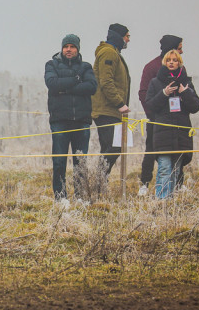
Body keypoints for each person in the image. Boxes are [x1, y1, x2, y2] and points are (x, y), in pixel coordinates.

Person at [44, 34, 98, 202]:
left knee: (80, 162)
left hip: (81, 120)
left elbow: (91, 87)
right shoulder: (51, 64)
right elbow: (52, 84)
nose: (69, 49)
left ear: (77, 49)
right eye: (66, 46)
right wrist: (76, 80)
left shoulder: (86, 66)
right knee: (59, 162)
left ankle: (81, 197)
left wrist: (65, 88)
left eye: (72, 46)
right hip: (59, 120)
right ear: (62, 48)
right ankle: (61, 198)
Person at [143, 50, 199, 199]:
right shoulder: (155, 83)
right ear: (165, 62)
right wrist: (164, 94)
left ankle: (171, 202)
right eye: (169, 60)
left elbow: (195, 107)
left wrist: (185, 93)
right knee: (164, 168)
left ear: (179, 62)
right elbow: (150, 105)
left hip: (181, 133)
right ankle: (161, 201)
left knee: (176, 170)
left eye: (175, 60)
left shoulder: (187, 82)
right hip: (163, 133)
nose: (172, 62)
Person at [137, 35, 183, 195]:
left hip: (177, 121)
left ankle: (178, 185)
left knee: (177, 154)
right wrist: (153, 114)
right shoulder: (151, 67)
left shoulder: (181, 71)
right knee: (151, 151)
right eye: (179, 47)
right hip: (157, 120)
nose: (181, 51)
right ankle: (145, 182)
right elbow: (143, 93)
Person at [91, 23, 131, 175]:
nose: (128, 40)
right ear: (119, 37)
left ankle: (100, 184)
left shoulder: (112, 53)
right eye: (127, 36)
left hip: (110, 109)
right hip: (107, 109)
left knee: (108, 147)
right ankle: (99, 178)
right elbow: (106, 82)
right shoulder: (109, 53)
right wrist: (120, 103)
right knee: (115, 146)